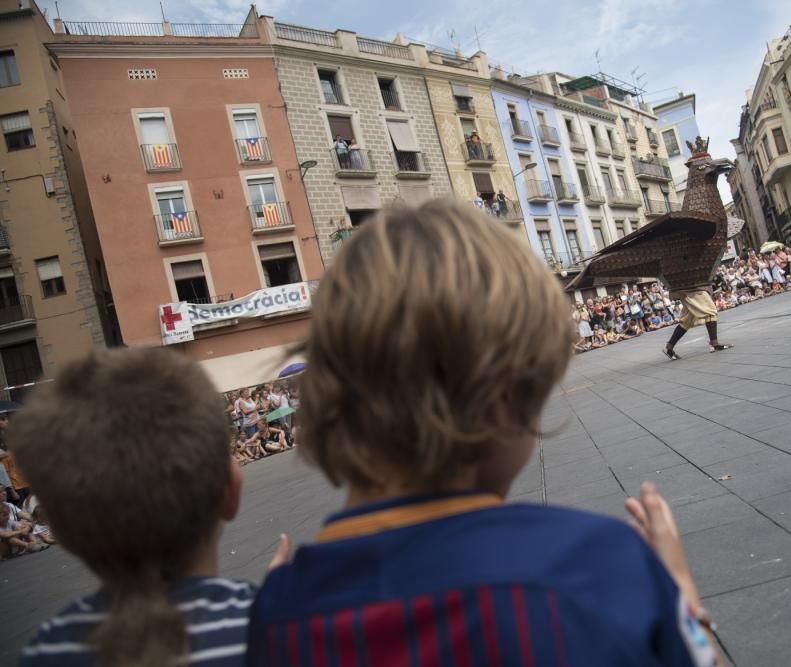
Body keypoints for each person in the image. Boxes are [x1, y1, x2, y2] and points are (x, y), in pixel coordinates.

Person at [247, 199, 719, 666]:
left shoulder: (277, 618)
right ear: (507, 395)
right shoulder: (594, 567)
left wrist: (281, 605)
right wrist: (678, 593)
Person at [10, 348, 289, 666]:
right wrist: (270, 606)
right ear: (231, 489)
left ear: (60, 528)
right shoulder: (275, 632)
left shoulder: (44, 651)